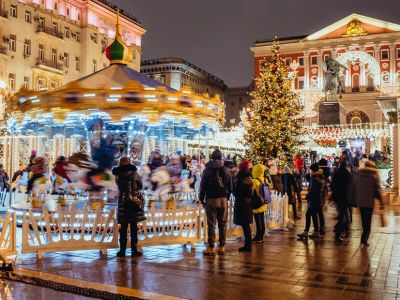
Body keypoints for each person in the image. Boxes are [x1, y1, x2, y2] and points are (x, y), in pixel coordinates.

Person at [199, 149, 232, 256]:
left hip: (211, 199)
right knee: (223, 223)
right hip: (223, 199)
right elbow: (231, 186)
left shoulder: (207, 170)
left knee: (211, 224)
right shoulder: (226, 170)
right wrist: (226, 197)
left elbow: (202, 186)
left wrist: (201, 199)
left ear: (212, 157)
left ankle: (211, 247)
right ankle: (222, 246)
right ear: (221, 157)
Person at [112, 157, 144, 257]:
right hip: (132, 200)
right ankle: (134, 250)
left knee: (123, 227)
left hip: (123, 201)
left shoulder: (117, 173)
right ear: (129, 162)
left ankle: (122, 251)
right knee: (134, 227)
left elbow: (119, 186)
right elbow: (139, 185)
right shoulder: (133, 172)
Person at [350, 161, 384, 246]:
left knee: (363, 220)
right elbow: (377, 190)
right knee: (368, 221)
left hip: (360, 201)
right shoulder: (374, 176)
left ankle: (363, 237)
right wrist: (381, 201)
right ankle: (364, 239)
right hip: (369, 202)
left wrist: (352, 200)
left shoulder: (358, 175)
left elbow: (353, 188)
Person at [297, 163, 324, 239]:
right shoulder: (318, 176)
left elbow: (312, 189)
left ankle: (313, 232)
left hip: (313, 199)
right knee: (311, 215)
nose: (309, 170)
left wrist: (307, 196)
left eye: (310, 169)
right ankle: (310, 231)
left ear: (313, 170)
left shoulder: (314, 178)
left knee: (311, 215)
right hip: (317, 199)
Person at [233, 160, 253, 252]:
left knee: (245, 225)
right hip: (248, 202)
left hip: (242, 202)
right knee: (246, 225)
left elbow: (236, 192)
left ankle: (247, 245)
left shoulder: (240, 179)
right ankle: (248, 244)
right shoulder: (249, 177)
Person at [331, 160, 351, 243]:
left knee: (343, 214)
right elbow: (350, 186)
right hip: (345, 197)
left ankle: (340, 230)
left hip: (338, 196)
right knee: (345, 216)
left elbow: (332, 185)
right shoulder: (347, 174)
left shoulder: (337, 173)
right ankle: (338, 232)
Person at [252, 163, 268, 242]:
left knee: (258, 221)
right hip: (263, 202)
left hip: (257, 203)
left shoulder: (254, 181)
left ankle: (258, 237)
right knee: (262, 220)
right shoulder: (265, 179)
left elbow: (252, 191)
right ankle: (261, 235)